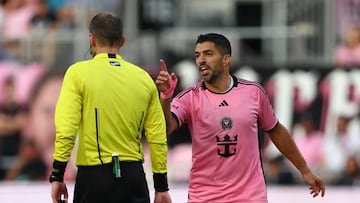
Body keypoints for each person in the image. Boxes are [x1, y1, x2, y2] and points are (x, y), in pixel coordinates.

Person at [155, 33, 325, 203]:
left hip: (249, 197)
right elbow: (166, 127)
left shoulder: (253, 93)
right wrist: (166, 95)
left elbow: (276, 131)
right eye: (198, 55)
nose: (201, 60)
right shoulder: (189, 97)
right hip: (205, 197)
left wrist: (305, 170)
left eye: (208, 54)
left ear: (226, 59)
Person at [49, 12, 171, 203]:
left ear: (92, 39)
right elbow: (157, 136)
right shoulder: (143, 78)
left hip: (94, 176)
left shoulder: (77, 73)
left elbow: (66, 129)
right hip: (134, 178)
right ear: (122, 40)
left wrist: (57, 175)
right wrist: (161, 187)